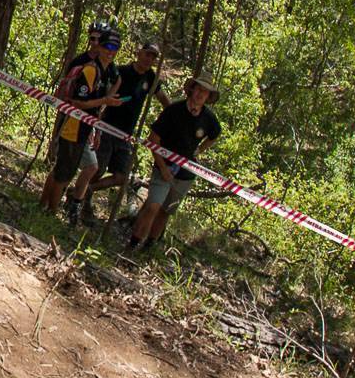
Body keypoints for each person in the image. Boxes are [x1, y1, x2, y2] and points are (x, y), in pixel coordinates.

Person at [67, 40, 167, 222]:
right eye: (147, 54)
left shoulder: (151, 78)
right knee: (97, 169)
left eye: (153, 57)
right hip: (107, 127)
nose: (148, 59)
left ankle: (81, 191)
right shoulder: (120, 71)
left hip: (126, 135)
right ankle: (80, 203)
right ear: (139, 52)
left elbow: (164, 100)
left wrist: (170, 120)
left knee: (121, 176)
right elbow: (103, 94)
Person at [126, 75, 222, 254]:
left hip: (186, 174)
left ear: (209, 96)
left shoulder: (209, 118)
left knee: (166, 211)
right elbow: (153, 139)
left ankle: (149, 246)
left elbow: (215, 135)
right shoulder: (173, 110)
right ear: (192, 89)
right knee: (153, 205)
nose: (201, 94)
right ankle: (132, 243)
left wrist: (199, 150)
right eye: (199, 89)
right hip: (164, 167)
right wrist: (162, 167)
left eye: (206, 92)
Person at [43, 24, 122, 221]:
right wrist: (105, 101)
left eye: (114, 49)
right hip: (73, 126)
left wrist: (97, 125)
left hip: (87, 127)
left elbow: (99, 104)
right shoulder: (89, 69)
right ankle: (49, 213)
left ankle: (47, 207)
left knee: (79, 168)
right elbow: (77, 102)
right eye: (107, 48)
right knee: (64, 173)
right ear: (99, 47)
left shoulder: (107, 72)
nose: (110, 53)